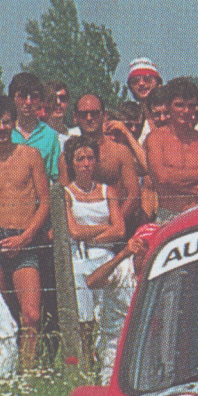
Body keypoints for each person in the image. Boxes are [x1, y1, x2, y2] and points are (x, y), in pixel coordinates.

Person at [0, 96, 52, 361]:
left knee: (31, 314)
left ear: (14, 123)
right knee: (2, 313)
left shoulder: (30, 156)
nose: (1, 128)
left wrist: (26, 237)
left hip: (26, 237)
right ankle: (5, 365)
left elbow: (45, 201)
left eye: (6, 122)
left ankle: (28, 369)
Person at [58, 135, 125, 352]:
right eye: (80, 159)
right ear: (72, 163)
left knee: (107, 312)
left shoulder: (108, 191)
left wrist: (91, 237)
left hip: (105, 257)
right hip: (79, 259)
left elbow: (120, 229)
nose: (86, 164)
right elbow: (74, 231)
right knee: (84, 319)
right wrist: (104, 226)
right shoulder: (66, 194)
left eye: (90, 158)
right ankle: (86, 358)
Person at [144, 78, 198, 219]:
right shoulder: (156, 139)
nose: (186, 111)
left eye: (191, 106)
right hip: (169, 216)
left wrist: (178, 186)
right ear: (168, 106)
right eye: (179, 105)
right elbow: (162, 178)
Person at [82, 226, 152, 381]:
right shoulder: (122, 267)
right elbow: (92, 282)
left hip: (148, 342)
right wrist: (122, 254)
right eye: (143, 245)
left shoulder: (159, 273)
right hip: (114, 341)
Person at [71, 94, 143, 226]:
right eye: (83, 114)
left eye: (94, 113)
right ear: (75, 118)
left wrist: (112, 225)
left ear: (104, 116)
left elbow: (134, 195)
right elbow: (64, 198)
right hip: (80, 230)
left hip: (118, 227)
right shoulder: (68, 155)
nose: (89, 118)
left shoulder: (120, 152)